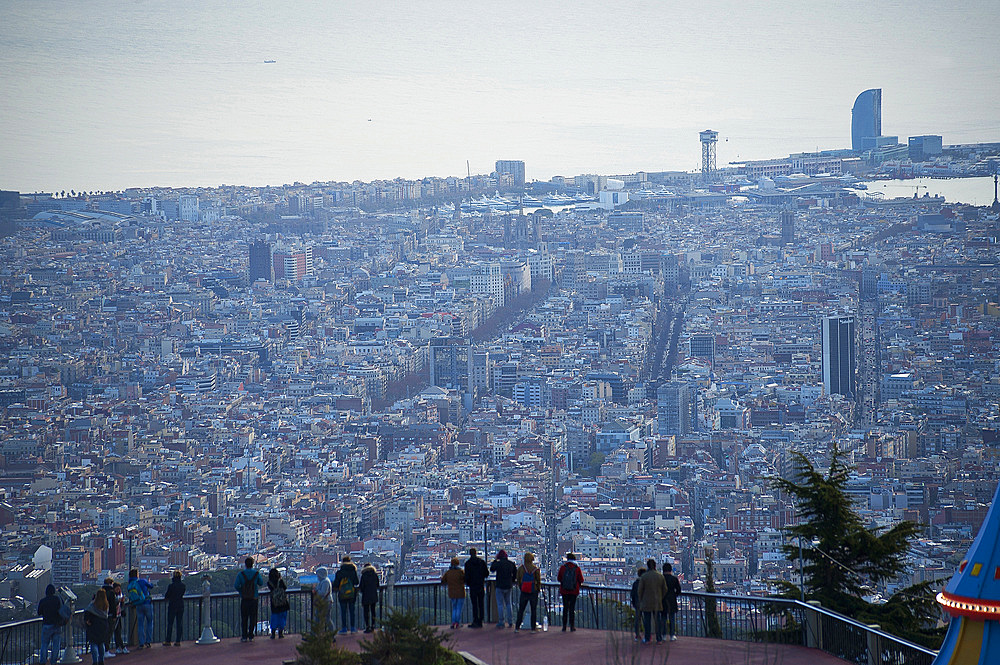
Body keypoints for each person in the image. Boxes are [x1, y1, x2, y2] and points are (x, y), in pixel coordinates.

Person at [636, 559, 668, 644]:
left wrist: (641, 598)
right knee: (658, 621)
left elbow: (640, 590)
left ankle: (647, 639)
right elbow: (665, 589)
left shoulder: (644, 576)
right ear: (655, 566)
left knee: (647, 621)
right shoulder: (660, 576)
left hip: (646, 602)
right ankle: (659, 639)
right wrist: (660, 597)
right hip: (657, 601)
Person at [234, 556, 265, 642]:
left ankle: (244, 636)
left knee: (244, 618)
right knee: (253, 617)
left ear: (245, 565)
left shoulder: (241, 574)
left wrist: (242, 592)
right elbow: (261, 583)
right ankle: (251, 635)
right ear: (252, 564)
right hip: (254, 598)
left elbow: (236, 586)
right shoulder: (256, 573)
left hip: (244, 599)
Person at [332, 555, 360, 634]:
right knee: (352, 611)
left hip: (342, 594)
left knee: (343, 611)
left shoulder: (339, 572)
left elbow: (336, 584)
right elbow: (356, 582)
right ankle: (352, 628)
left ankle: (344, 628)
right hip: (351, 594)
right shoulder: (353, 571)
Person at [557, 552, 584, 632]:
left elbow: (559, 578)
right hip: (574, 591)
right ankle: (572, 626)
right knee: (572, 609)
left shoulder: (563, 567)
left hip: (564, 591)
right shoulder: (577, 568)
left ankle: (564, 626)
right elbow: (581, 580)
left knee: (565, 609)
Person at [127, 569, 154, 649]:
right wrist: (149, 581)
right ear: (137, 575)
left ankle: (141, 643)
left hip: (138, 605)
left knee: (140, 624)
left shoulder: (130, 585)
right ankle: (148, 641)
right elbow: (151, 586)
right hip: (147, 603)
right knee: (149, 622)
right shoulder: (142, 581)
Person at [489, 549, 516, 629]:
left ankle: (501, 621)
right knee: (508, 604)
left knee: (500, 604)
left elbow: (492, 569)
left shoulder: (498, 564)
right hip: (508, 585)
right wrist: (512, 580)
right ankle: (510, 621)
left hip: (499, 585)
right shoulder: (511, 564)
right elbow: (515, 573)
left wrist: (494, 560)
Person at [515, 552, 541, 632]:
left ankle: (517, 627)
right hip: (533, 591)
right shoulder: (535, 569)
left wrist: (521, 587)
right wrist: (538, 589)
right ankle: (533, 628)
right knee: (533, 610)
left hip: (524, 591)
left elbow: (518, 579)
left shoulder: (521, 569)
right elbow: (538, 580)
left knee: (521, 610)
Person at [37, 584, 63, 665]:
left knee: (44, 644)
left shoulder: (43, 601)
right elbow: (62, 610)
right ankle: (53, 661)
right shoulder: (57, 599)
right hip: (57, 625)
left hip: (47, 624)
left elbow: (39, 612)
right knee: (56, 645)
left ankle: (43, 661)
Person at [464, 547, 488, 628]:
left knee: (474, 604)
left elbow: (466, 576)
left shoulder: (468, 564)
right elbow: (486, 573)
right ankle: (481, 620)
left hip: (473, 586)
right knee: (481, 603)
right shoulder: (481, 562)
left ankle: (475, 620)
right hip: (480, 585)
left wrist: (468, 583)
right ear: (476, 553)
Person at [84, 589, 110, 665]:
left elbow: (87, 613)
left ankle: (95, 661)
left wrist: (88, 622)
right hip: (103, 625)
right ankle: (101, 660)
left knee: (93, 643)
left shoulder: (93, 605)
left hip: (94, 625)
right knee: (101, 643)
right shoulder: (106, 605)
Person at [441, 557, 465, 629]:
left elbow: (443, 580)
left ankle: (453, 622)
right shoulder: (460, 572)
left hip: (452, 592)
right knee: (459, 608)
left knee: (454, 608)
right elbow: (465, 579)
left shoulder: (448, 572)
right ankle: (457, 622)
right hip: (460, 592)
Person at [312, 566, 336, 640]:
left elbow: (323, 592)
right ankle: (316, 634)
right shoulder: (324, 581)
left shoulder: (325, 581)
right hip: (324, 602)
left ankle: (317, 634)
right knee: (323, 619)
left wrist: (316, 591)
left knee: (324, 619)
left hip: (325, 602)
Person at [163, 570, 186, 646]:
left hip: (172, 605)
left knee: (170, 623)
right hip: (180, 605)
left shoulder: (171, 586)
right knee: (179, 623)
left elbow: (167, 596)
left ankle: (168, 640)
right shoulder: (183, 586)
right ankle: (178, 641)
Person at [267, 568, 290, 639]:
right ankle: (280, 633)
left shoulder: (269, 583)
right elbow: (285, 588)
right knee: (282, 618)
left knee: (274, 617)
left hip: (274, 603)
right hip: (283, 602)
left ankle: (273, 633)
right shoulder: (280, 581)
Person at [662, 563, 682, 642]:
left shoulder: (661, 579)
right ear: (671, 570)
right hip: (672, 600)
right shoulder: (674, 579)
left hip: (662, 600)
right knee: (672, 618)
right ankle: (672, 635)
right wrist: (674, 595)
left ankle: (663, 635)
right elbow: (678, 590)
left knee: (663, 618)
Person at [359, 562, 380, 633]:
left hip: (366, 595)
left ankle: (367, 626)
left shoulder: (364, 575)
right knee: (373, 611)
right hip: (373, 595)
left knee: (366, 612)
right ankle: (373, 626)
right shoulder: (375, 574)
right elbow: (377, 585)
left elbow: (361, 587)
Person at [100, 578, 118, 658]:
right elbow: (113, 605)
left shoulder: (101, 591)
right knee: (109, 633)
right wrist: (114, 616)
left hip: (101, 615)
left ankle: (101, 650)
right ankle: (106, 650)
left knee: (103, 633)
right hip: (110, 615)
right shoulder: (111, 592)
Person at [630, 567, 646, 641]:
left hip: (637, 603)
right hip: (646, 603)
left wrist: (633, 602)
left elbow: (632, 594)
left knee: (637, 619)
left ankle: (637, 635)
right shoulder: (646, 583)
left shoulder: (635, 583)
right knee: (646, 619)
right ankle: (647, 635)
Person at [112, 582, 127, 654]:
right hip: (115, 615)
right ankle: (122, 646)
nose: (118, 590)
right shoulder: (114, 596)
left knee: (118, 631)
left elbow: (121, 605)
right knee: (117, 632)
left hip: (118, 615)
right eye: (117, 589)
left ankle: (118, 647)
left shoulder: (119, 595)